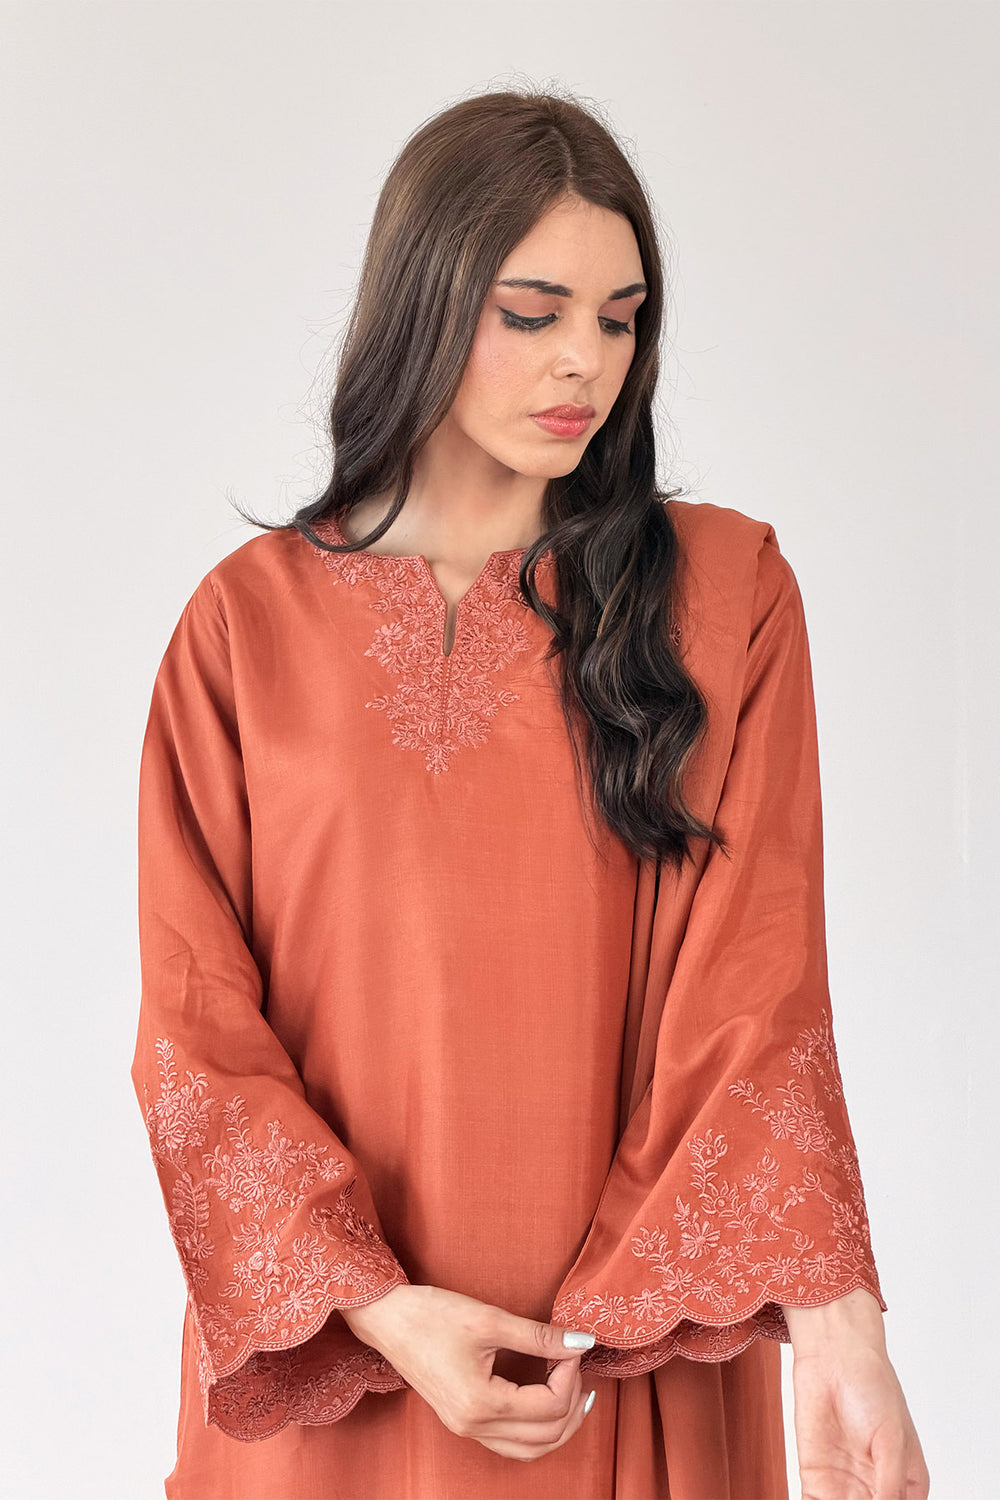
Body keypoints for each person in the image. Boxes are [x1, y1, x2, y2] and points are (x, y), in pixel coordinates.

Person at [130, 87, 930, 1500]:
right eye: (533, 312)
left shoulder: (725, 600)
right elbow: (197, 1034)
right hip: (341, 1383)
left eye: (620, 321)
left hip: (616, 1371)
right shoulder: (242, 629)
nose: (585, 362)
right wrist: (383, 1311)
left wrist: (843, 1330)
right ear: (425, 302)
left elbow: (759, 995)